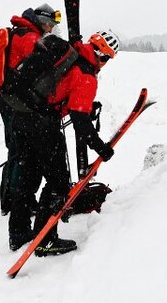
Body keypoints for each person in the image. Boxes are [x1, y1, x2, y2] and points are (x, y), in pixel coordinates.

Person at [7, 29, 119, 257]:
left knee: (29, 175)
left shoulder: (73, 52)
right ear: (103, 56)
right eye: (107, 58)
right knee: (58, 183)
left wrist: (84, 106)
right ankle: (45, 240)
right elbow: (80, 120)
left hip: (22, 114)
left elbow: (62, 90)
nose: (105, 63)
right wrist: (101, 147)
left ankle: (18, 233)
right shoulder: (87, 74)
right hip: (42, 125)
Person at [0, 3, 60, 215]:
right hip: (16, 103)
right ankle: (16, 202)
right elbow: (31, 75)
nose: (51, 30)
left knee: (14, 151)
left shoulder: (19, 32)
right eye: (51, 25)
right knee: (20, 153)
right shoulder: (30, 39)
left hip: (8, 100)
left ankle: (10, 200)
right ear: (44, 22)